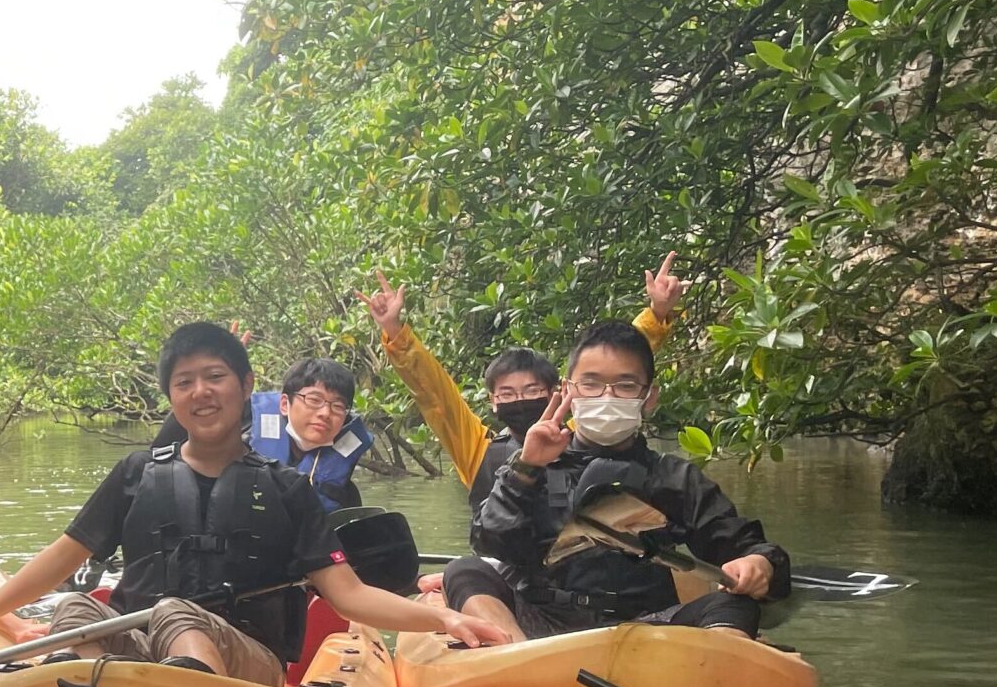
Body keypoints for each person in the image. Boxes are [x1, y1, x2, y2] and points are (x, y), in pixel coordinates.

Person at [0, 323, 510, 682]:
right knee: (77, 610)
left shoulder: (287, 490)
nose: (201, 392)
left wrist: (443, 617)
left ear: (247, 386)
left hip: (243, 661)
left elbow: (349, 595)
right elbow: (60, 558)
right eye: (185, 382)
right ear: (170, 397)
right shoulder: (135, 474)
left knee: (177, 612)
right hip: (143, 646)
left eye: (215, 377)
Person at [442, 319, 786, 640]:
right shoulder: (530, 464)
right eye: (591, 384)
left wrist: (760, 564)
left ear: (649, 396)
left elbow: (746, 547)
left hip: (647, 623)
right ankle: (515, 657)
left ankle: (711, 670)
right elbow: (490, 543)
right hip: (540, 624)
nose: (607, 397)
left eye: (625, 385)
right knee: (464, 571)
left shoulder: (673, 477)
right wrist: (526, 468)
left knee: (733, 604)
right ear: (569, 391)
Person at [363, 250, 689, 498]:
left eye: (532, 391)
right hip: (500, 562)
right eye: (507, 394)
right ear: (492, 401)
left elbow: (613, 367)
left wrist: (657, 313)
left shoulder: (579, 435)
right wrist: (395, 330)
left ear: (559, 393)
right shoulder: (476, 449)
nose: (520, 401)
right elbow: (434, 394)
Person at [248, 357, 372, 511]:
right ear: (285, 404)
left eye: (338, 406)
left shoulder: (342, 494)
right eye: (314, 400)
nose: (325, 413)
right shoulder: (239, 450)